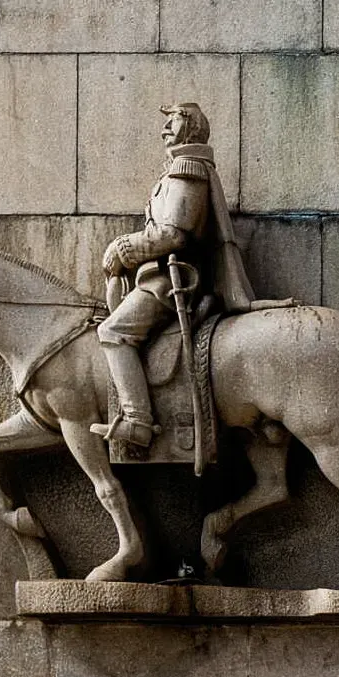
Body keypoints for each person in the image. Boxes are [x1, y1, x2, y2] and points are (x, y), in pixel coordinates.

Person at [95, 103, 254, 451]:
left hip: (173, 282)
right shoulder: (177, 171)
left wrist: (123, 248)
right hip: (156, 278)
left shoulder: (188, 169)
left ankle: (137, 421)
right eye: (165, 123)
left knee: (113, 333)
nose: (165, 129)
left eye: (173, 122)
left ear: (192, 127)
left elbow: (174, 234)